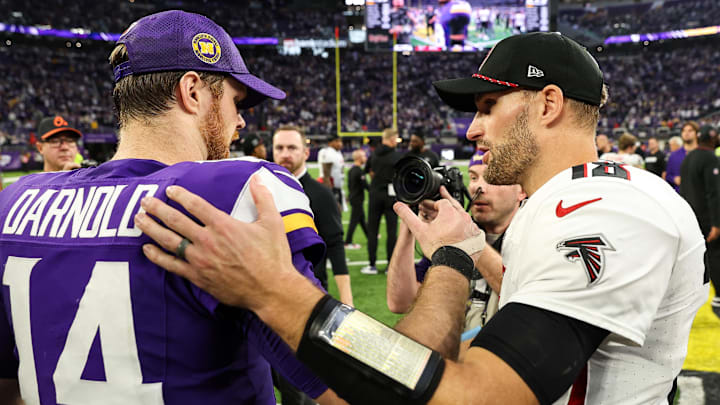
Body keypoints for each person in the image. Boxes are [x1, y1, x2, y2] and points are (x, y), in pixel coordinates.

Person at [136, 32, 708, 405]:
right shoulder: (558, 205)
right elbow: (536, 315)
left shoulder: (616, 206)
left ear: (548, 105)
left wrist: (278, 293)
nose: (472, 131)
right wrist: (464, 249)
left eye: (487, 108)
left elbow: (480, 397)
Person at [0, 10, 344, 405]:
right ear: (192, 91)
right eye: (236, 101)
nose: (240, 123)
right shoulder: (238, 191)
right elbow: (358, 387)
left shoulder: (15, 202)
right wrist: (436, 263)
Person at [387, 150, 524, 332]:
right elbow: (400, 303)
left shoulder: (532, 237)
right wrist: (410, 222)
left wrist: (469, 239)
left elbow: (524, 295)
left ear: (521, 190)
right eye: (473, 178)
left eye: (492, 178)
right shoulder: (452, 238)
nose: (478, 187)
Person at [272, 125, 353, 307]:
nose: (285, 154)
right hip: (271, 297)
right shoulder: (261, 189)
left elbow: (335, 246)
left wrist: (347, 302)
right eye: (279, 148)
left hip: (311, 297)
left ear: (306, 153)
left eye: (292, 148)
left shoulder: (322, 194)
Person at [680, 125, 720, 317]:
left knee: (694, 262)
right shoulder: (711, 158)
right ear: (713, 139)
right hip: (706, 220)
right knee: (715, 258)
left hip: (690, 218)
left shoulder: (689, 158)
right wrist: (716, 223)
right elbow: (714, 193)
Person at [362, 128, 403, 275]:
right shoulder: (397, 156)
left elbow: (368, 171)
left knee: (372, 231)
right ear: (392, 139)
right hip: (391, 196)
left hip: (374, 194)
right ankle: (389, 266)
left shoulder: (373, 154)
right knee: (391, 232)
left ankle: (371, 265)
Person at [344, 148, 368, 250]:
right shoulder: (359, 171)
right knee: (354, 220)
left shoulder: (351, 170)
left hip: (354, 198)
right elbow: (366, 186)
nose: (365, 157)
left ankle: (370, 236)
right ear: (359, 158)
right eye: (364, 156)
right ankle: (347, 242)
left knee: (361, 219)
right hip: (357, 199)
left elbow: (350, 186)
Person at [666, 121, 699, 192]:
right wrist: (674, 179)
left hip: (699, 195)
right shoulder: (674, 155)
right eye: (684, 131)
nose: (686, 133)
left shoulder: (704, 154)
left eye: (690, 130)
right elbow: (668, 175)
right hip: (680, 196)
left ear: (697, 134)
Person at [318, 134, 345, 210]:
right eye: (337, 141)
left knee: (338, 215)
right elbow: (326, 175)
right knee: (334, 213)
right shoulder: (328, 153)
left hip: (337, 188)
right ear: (330, 143)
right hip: (331, 188)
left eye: (340, 141)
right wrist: (330, 194)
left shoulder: (337, 152)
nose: (340, 143)